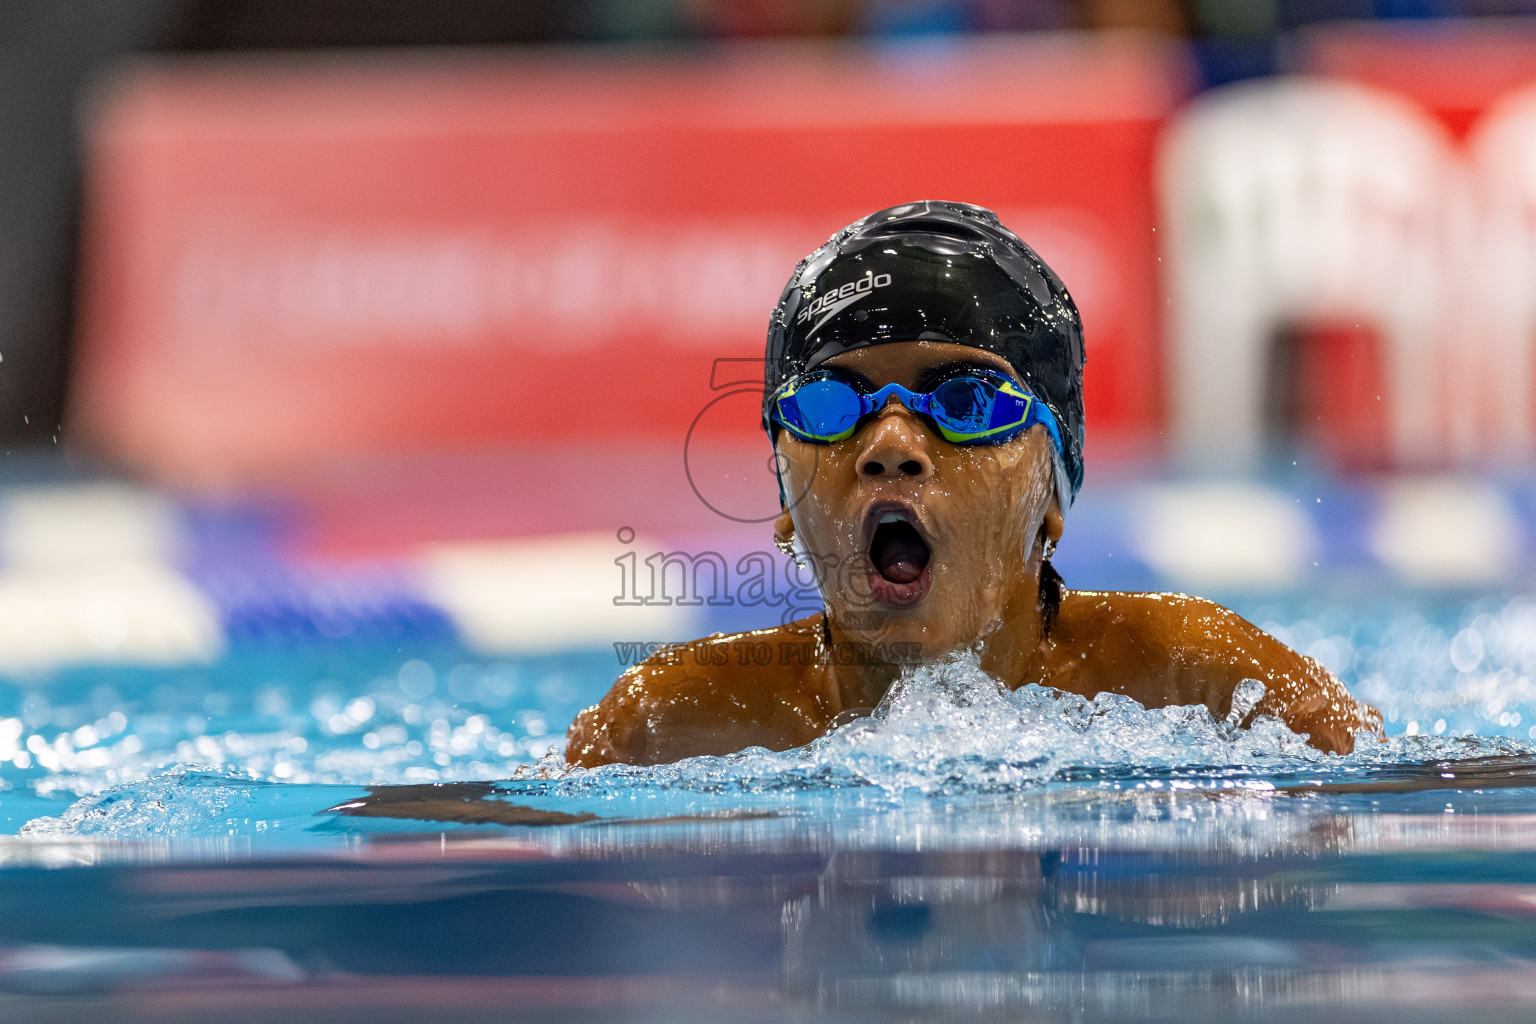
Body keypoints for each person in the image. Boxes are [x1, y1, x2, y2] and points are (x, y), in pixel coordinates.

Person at [566, 201, 1381, 768]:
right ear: (783, 495)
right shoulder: (670, 723)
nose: (889, 447)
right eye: (828, 404)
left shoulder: (1200, 684)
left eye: (964, 402)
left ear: (1054, 492)